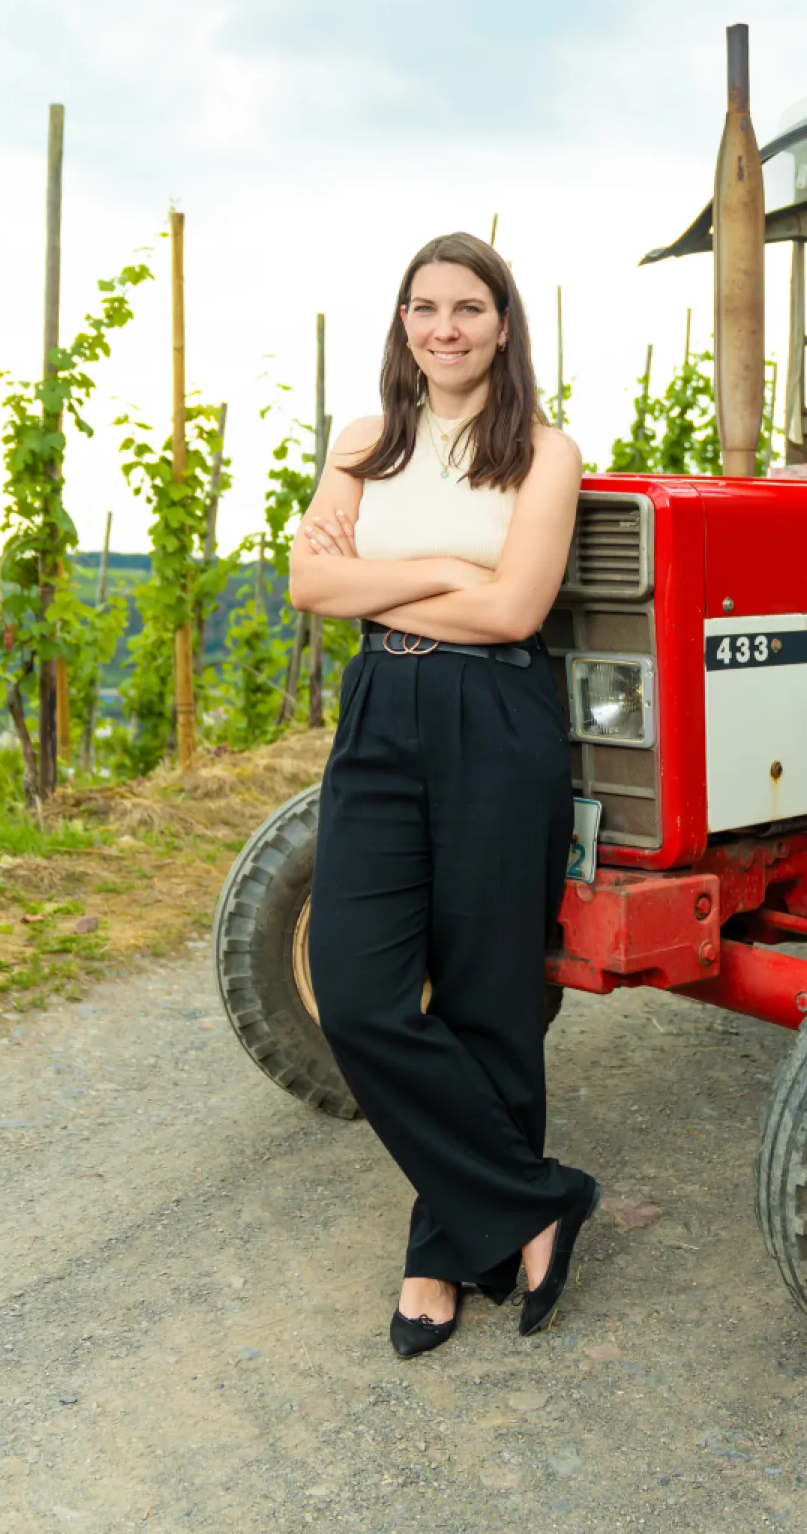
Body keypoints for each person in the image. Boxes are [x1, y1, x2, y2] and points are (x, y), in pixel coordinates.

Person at [287, 232, 600, 1358]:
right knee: (356, 995)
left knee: (488, 997)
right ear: (402, 322)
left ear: (503, 325)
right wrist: (441, 571)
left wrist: (374, 583)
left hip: (495, 717)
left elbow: (514, 612)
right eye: (424, 307)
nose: (444, 327)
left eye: (467, 307)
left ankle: (441, 1246)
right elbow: (308, 583)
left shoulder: (544, 454)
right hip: (381, 711)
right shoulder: (363, 442)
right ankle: (535, 1199)